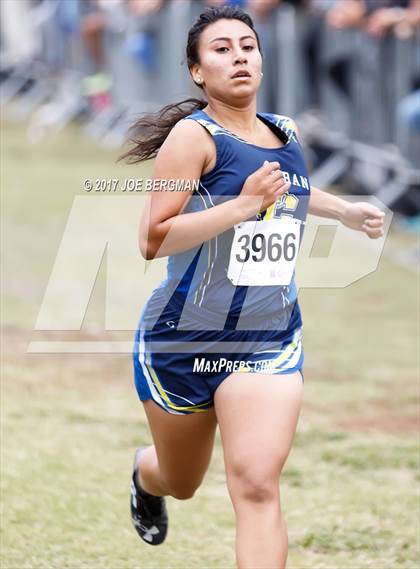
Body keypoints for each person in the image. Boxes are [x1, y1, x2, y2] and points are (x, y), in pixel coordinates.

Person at [121, 6, 385, 568]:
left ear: (262, 60)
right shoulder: (193, 139)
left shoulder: (285, 131)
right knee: (181, 479)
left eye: (247, 45)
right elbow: (152, 237)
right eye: (221, 49)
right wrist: (241, 207)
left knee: (259, 485)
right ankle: (147, 476)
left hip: (266, 339)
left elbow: (290, 192)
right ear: (197, 71)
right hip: (184, 341)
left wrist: (345, 212)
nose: (238, 55)